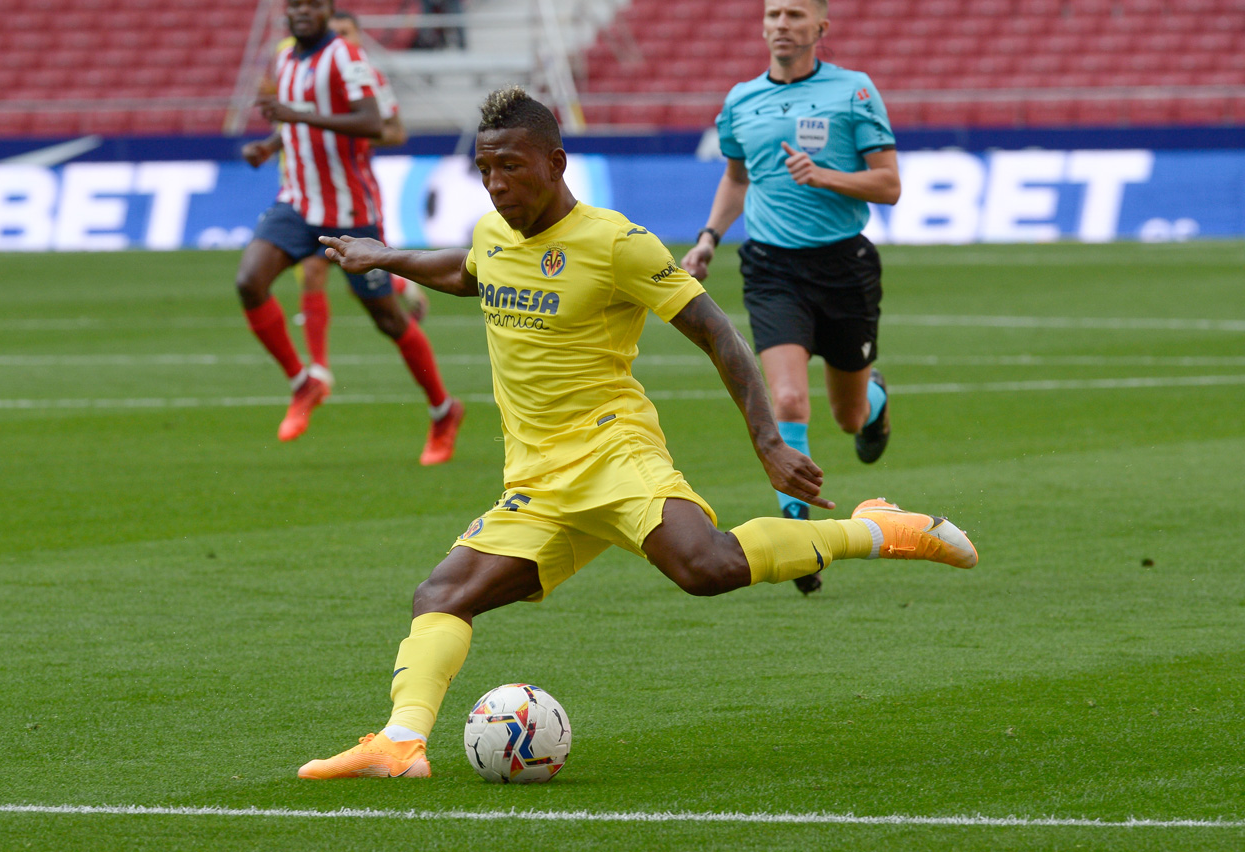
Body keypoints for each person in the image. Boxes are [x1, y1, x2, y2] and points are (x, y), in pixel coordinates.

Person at [295, 86, 976, 780]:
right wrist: (386, 256)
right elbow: (472, 272)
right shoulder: (492, 233)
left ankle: (875, 529)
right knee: (440, 596)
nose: (498, 185)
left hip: (613, 451)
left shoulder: (615, 243)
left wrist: (768, 439)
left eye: (513, 168)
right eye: (486, 171)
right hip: (537, 481)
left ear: (556, 162)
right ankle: (400, 743)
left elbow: (717, 333)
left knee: (705, 570)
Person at [681, 0, 901, 595]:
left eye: (796, 15)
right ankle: (799, 533)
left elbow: (890, 184)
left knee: (847, 414)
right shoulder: (740, 101)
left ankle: (874, 400)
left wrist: (826, 175)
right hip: (773, 268)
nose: (782, 23)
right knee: (787, 398)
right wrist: (708, 240)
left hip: (845, 267)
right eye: (773, 13)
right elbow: (736, 176)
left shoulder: (853, 93)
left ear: (820, 28)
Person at [238, 0, 464, 464]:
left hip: (347, 211)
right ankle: (305, 382)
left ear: (327, 10)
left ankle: (443, 410)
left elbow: (373, 124)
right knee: (249, 281)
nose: (303, 13)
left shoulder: (346, 58)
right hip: (296, 201)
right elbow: (299, 122)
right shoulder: (285, 58)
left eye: (313, 5)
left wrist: (296, 116)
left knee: (387, 320)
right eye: (295, 5)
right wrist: (270, 144)